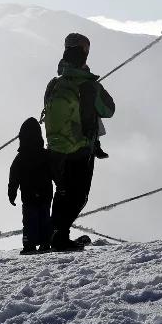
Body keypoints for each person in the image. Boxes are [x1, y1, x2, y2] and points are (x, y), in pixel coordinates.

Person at [43, 33, 116, 251]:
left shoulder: (54, 84)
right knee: (79, 195)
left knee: (62, 192)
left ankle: (55, 234)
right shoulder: (88, 85)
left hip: (55, 148)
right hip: (81, 147)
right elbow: (109, 109)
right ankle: (60, 237)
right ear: (84, 52)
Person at [8, 117, 54, 255]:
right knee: (44, 218)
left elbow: (13, 177)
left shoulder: (20, 158)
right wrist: (61, 185)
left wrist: (12, 193)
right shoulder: (46, 154)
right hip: (45, 194)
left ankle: (30, 244)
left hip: (28, 195)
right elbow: (55, 172)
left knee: (29, 220)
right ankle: (45, 243)